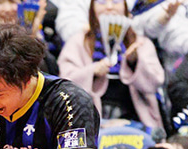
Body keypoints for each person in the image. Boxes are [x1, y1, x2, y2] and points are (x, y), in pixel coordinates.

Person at [58, 0, 164, 130]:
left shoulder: (140, 43)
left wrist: (134, 62)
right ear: (92, 9)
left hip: (135, 121)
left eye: (116, 2)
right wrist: (93, 71)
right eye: (101, 2)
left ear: (125, 8)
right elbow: (64, 86)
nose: (109, 7)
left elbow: (154, 83)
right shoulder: (78, 42)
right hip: (89, 122)